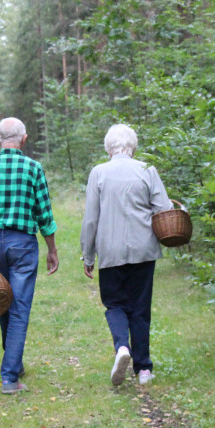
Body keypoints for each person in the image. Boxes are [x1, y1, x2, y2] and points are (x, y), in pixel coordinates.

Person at [0, 117, 60, 394]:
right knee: (18, 310)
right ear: (24, 139)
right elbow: (44, 213)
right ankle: (9, 378)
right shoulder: (33, 168)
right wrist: (52, 250)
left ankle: (14, 365)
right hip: (23, 244)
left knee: (2, 301)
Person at [80, 124, 172, 386]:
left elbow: (91, 220)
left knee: (115, 304)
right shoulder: (147, 170)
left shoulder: (98, 172)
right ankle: (143, 370)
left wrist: (88, 256)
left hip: (110, 251)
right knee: (140, 308)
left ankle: (122, 347)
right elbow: (164, 209)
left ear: (108, 147)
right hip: (144, 249)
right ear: (133, 145)